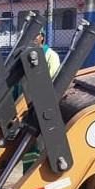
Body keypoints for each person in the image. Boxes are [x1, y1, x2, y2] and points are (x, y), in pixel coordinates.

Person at [22, 29, 61, 171]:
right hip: (29, 106)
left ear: (42, 37)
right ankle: (27, 174)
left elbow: (52, 82)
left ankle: (40, 173)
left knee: (41, 143)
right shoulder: (25, 56)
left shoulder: (51, 56)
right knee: (29, 144)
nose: (33, 38)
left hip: (44, 107)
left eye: (36, 35)